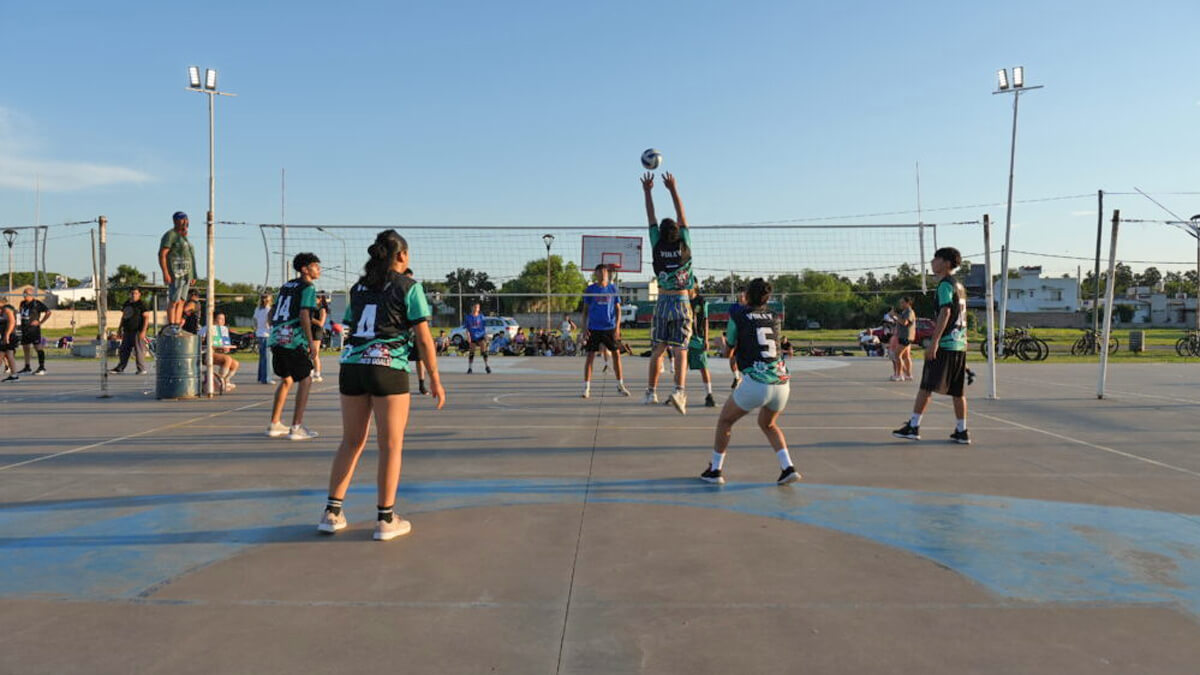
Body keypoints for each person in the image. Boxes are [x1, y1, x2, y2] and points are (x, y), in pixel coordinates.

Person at [318, 229, 445, 541]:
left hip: (352, 365)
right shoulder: (409, 287)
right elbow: (424, 338)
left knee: (351, 441)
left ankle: (331, 512)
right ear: (401, 255)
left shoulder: (359, 287)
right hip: (387, 365)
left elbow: (352, 325)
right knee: (390, 444)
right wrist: (435, 378)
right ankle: (386, 518)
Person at [701, 278, 799, 486]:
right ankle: (788, 467)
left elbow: (728, 353)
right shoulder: (774, 317)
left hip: (757, 381)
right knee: (768, 424)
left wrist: (720, 343)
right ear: (767, 298)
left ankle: (715, 470)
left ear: (746, 295)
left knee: (725, 421)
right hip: (782, 382)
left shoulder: (738, 316)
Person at [893, 247, 971, 444]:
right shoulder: (959, 286)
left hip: (945, 344)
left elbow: (946, 312)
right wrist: (964, 342)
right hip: (958, 344)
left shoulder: (945, 285)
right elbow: (960, 316)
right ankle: (962, 430)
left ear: (946, 263)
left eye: (936, 259)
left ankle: (913, 427)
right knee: (957, 391)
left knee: (926, 386)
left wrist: (934, 343)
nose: (932, 262)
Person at [641, 171, 693, 413]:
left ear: (660, 233)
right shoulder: (684, 243)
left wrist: (647, 191)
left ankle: (651, 392)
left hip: (662, 301)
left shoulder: (657, 243)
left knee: (658, 349)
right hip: (682, 301)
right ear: (677, 231)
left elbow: (650, 217)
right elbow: (682, 215)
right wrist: (673, 189)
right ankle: (679, 391)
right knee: (681, 349)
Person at [266, 253, 322, 441]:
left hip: (277, 337)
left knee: (287, 379)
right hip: (293, 339)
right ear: (305, 269)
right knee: (306, 379)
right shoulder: (308, 287)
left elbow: (272, 312)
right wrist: (310, 341)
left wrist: (276, 329)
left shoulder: (286, 286)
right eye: (315, 266)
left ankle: (274, 423)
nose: (319, 269)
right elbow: (304, 314)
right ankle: (296, 426)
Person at [580, 263, 631, 398]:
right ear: (596, 274)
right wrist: (584, 328)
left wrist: (617, 327)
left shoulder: (613, 289)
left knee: (616, 355)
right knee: (590, 356)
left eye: (605, 272)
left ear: (608, 274)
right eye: (600, 272)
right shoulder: (590, 290)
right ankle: (586, 387)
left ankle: (620, 385)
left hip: (610, 327)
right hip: (594, 328)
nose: (603, 274)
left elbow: (618, 309)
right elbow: (585, 311)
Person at [159, 211, 197, 329]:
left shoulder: (185, 238)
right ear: (175, 221)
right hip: (176, 273)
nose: (185, 221)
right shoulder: (170, 235)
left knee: (181, 300)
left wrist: (194, 274)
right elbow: (162, 254)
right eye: (182, 219)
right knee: (174, 300)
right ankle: (171, 324)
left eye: (186, 219)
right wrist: (165, 272)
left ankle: (176, 324)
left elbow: (191, 257)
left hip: (187, 274)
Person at [686, 288, 716, 407]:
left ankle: (709, 394)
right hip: (684, 339)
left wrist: (706, 339)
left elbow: (705, 321)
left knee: (703, 367)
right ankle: (677, 392)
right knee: (681, 367)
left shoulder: (701, 302)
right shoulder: (682, 300)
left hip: (697, 339)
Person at [401, 269, 430, 395]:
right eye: (407, 278)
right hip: (401, 333)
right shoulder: (397, 292)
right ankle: (402, 385)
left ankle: (421, 384)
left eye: (410, 278)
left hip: (414, 332)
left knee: (420, 358)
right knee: (401, 358)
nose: (409, 280)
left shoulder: (415, 291)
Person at [109, 288, 150, 375]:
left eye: (135, 293)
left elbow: (146, 317)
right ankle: (120, 368)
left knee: (138, 350)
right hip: (127, 331)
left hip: (137, 331)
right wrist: (119, 329)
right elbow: (124, 316)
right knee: (123, 350)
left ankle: (141, 369)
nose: (133, 295)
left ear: (139, 294)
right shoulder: (127, 303)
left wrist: (143, 331)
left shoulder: (141, 304)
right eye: (132, 293)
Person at [198, 309, 240, 392]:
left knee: (235, 363)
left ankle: (225, 380)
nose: (223, 321)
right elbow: (199, 343)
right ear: (213, 319)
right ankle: (220, 381)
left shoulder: (223, 329)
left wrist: (226, 348)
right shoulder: (206, 328)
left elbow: (225, 345)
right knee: (227, 359)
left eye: (224, 319)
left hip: (217, 353)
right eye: (220, 319)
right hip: (205, 353)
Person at [17, 288, 51, 375]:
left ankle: (42, 367)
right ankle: (27, 367)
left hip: (33, 329)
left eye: (26, 294)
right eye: (24, 294)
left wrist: (40, 322)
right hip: (24, 328)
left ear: (31, 295)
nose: (24, 296)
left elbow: (48, 312)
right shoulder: (22, 303)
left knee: (37, 347)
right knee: (25, 348)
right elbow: (20, 314)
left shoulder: (37, 303)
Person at [889, 296, 917, 382]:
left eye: (902, 302)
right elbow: (900, 321)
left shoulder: (909, 311)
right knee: (906, 356)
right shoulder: (904, 312)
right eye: (900, 302)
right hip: (903, 336)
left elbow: (904, 322)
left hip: (906, 336)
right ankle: (908, 375)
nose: (900, 304)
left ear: (908, 303)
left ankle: (899, 375)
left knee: (897, 355)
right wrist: (893, 317)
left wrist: (895, 314)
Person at [462, 303, 491, 374]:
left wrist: (486, 336)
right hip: (473, 336)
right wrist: (468, 336)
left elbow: (484, 327)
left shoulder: (481, 317)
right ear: (472, 308)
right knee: (472, 352)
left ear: (479, 309)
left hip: (481, 335)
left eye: (477, 307)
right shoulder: (468, 317)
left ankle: (487, 366)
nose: (476, 308)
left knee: (484, 351)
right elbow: (467, 328)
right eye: (475, 307)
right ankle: (470, 368)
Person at [728, 287, 747, 389]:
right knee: (732, 358)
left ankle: (748, 379)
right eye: (740, 294)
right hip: (736, 336)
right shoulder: (733, 307)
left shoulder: (749, 307)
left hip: (746, 336)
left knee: (746, 359)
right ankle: (736, 377)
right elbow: (731, 323)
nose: (741, 296)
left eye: (743, 294)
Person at [252, 293, 273, 384]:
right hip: (266, 335)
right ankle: (266, 378)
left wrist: (256, 329)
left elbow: (255, 320)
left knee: (262, 357)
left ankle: (260, 377)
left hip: (259, 334)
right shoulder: (269, 309)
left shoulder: (258, 309)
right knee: (267, 358)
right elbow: (268, 322)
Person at [311, 291, 330, 382]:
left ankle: (317, 374)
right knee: (307, 353)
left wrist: (310, 319)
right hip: (310, 331)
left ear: (319, 300)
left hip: (317, 332)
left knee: (315, 353)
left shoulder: (322, 309)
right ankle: (310, 372)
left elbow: (321, 323)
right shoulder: (311, 308)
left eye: (314, 298)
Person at [0, 300, 17, 382]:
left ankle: (14, 375)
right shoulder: (2, 311)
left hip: (9, 336)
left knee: (5, 354)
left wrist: (7, 334)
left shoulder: (7, 309)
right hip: (4, 336)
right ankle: (14, 375)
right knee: (8, 355)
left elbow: (12, 322)